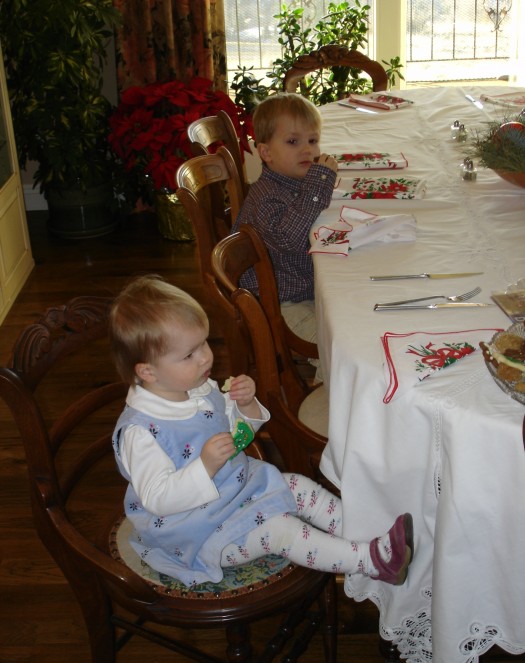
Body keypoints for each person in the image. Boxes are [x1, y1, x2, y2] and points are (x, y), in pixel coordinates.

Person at [109, 276, 414, 588]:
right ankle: (370, 561)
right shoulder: (141, 433)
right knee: (280, 531)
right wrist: (205, 466)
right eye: (189, 355)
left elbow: (238, 437)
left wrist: (245, 407)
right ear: (147, 371)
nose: (205, 357)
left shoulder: (196, 388)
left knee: (297, 485)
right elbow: (158, 498)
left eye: (204, 343)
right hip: (197, 533)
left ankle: (372, 533)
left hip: (238, 491)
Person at [232, 92, 338, 345]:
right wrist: (319, 184)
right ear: (266, 152)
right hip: (279, 304)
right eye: (293, 141)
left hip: (300, 286)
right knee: (336, 344)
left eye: (313, 140)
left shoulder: (292, 181)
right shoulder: (268, 196)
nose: (307, 150)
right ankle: (331, 383)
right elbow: (289, 238)